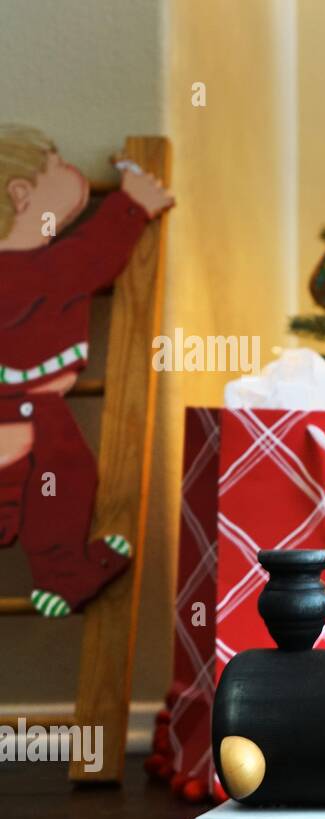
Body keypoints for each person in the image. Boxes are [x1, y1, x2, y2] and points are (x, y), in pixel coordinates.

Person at [0, 126, 174, 616]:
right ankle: (63, 573)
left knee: (51, 491)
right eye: (58, 164)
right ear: (22, 194)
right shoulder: (45, 270)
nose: (72, 172)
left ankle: (63, 572)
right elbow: (94, 256)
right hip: (35, 419)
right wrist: (133, 203)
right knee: (64, 484)